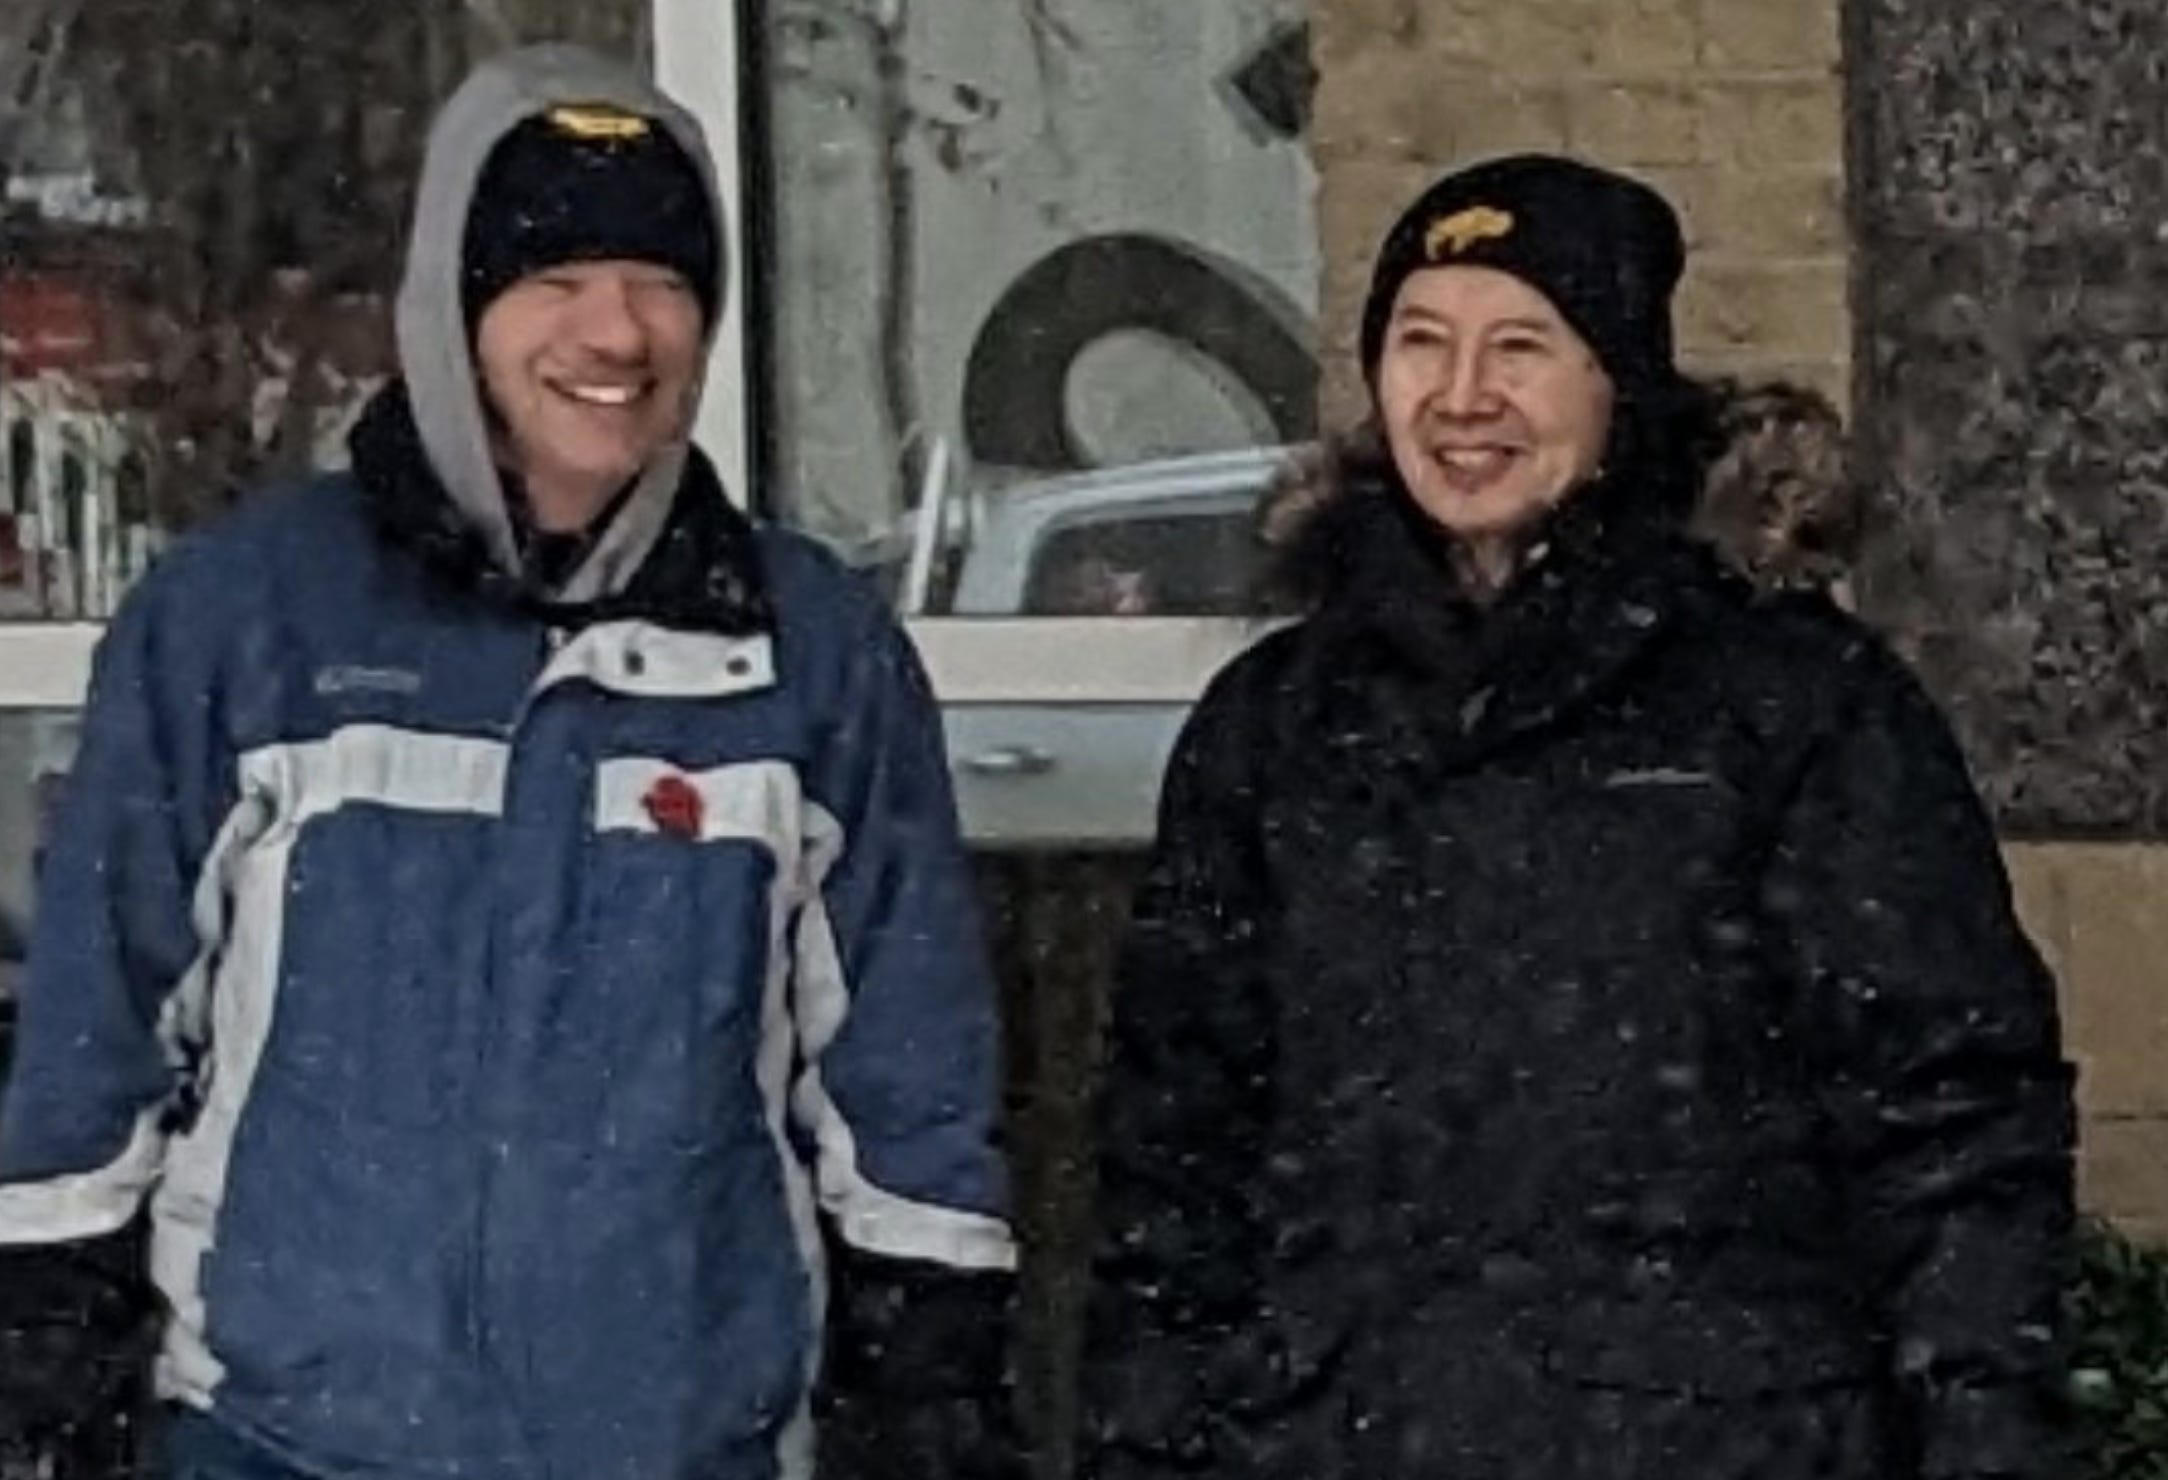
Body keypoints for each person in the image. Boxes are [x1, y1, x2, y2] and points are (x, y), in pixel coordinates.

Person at [0, 43, 1019, 1480]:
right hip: (279, 1444)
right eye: (555, 280)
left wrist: (928, 1390)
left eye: (663, 281)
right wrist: (52, 1355)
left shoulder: (815, 655)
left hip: (684, 1448)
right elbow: (98, 1028)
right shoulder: (245, 622)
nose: (618, 333)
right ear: (452, 311)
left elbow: (903, 1081)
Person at [1079, 154, 2074, 1480]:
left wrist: (1982, 1427)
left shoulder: (1795, 705)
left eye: (1523, 346)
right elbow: (1174, 1152)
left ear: (1620, 387)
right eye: (1420, 343)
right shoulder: (1275, 726)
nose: (1464, 396)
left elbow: (1950, 1123)